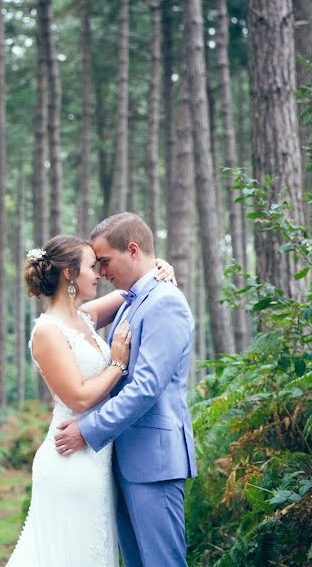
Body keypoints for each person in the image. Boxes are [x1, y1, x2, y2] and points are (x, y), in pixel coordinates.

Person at [6, 234, 174, 567]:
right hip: (70, 458)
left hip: (95, 458)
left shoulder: (82, 318)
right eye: (90, 266)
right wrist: (117, 364)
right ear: (69, 273)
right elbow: (80, 398)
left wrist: (158, 267)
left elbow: (131, 289)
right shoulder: (48, 331)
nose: (97, 273)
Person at [54, 212, 198, 567]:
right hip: (125, 458)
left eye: (104, 262)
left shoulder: (165, 302)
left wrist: (86, 432)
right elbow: (73, 318)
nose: (101, 272)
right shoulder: (132, 300)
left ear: (132, 250)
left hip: (154, 461)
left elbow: (146, 388)